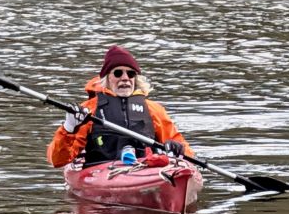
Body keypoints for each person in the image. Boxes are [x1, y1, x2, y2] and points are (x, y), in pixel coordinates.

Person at [46, 45, 195, 168]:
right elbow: (57, 160)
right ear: (107, 78)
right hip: (101, 169)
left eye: (130, 74)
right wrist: (69, 127)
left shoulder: (154, 110)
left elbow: (184, 149)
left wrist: (177, 149)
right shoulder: (88, 110)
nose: (125, 78)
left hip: (145, 169)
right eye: (118, 73)